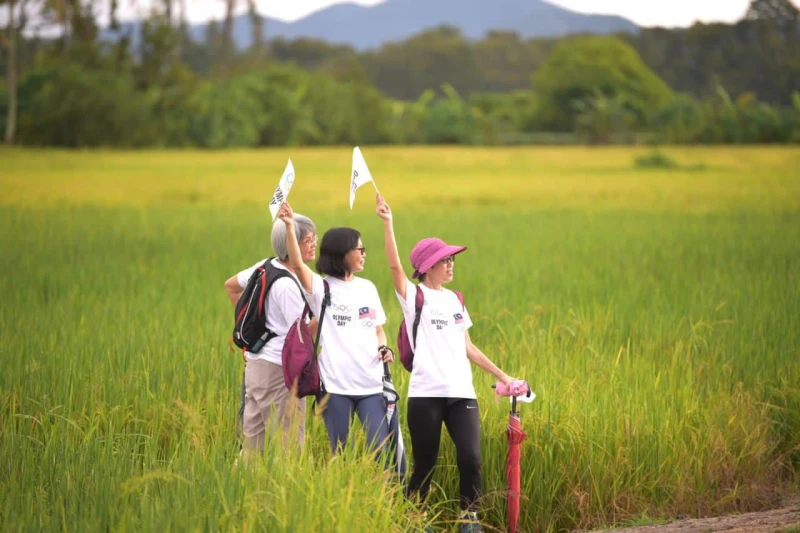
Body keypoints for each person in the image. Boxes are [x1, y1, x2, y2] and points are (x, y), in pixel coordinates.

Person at [375, 193, 515, 533]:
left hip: (461, 393)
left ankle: (469, 520)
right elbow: (395, 268)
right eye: (445, 260)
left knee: (472, 459)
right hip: (426, 395)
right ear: (427, 267)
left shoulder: (455, 300)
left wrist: (504, 376)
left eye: (452, 259)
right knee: (425, 464)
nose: (451, 264)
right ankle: (415, 520)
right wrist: (389, 223)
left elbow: (468, 347)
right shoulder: (415, 297)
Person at [277, 201, 395, 465]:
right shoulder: (322, 288)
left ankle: (381, 491)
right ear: (342, 254)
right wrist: (289, 227)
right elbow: (298, 264)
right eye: (359, 249)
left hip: (371, 385)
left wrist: (383, 348)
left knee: (380, 450)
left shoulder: (368, 288)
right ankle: (342, 490)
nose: (364, 254)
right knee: (340, 452)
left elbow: (378, 330)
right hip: (335, 387)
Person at [223, 213, 318, 458]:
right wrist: (325, 316)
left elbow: (231, 286)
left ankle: (243, 482)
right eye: (308, 240)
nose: (314, 244)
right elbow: (300, 336)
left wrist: (255, 330)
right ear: (290, 243)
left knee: (253, 450)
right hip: (278, 373)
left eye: (314, 238)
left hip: (255, 367)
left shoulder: (265, 266)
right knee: (290, 451)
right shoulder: (287, 286)